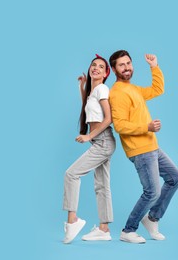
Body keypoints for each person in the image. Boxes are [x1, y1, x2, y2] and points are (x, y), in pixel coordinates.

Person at [108, 50, 178, 244]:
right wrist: (147, 127)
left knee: (175, 178)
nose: (127, 67)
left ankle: (152, 218)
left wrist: (154, 66)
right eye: (122, 65)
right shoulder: (117, 93)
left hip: (152, 146)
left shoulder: (133, 89)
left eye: (129, 63)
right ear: (114, 69)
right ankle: (128, 230)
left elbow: (157, 90)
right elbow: (120, 125)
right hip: (140, 150)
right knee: (152, 192)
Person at [62, 54, 116, 244]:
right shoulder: (94, 91)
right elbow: (88, 107)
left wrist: (88, 136)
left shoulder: (102, 89)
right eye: (93, 65)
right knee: (102, 186)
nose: (96, 68)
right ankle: (104, 229)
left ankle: (72, 220)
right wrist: (81, 87)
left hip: (103, 141)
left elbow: (108, 119)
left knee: (71, 174)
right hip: (101, 142)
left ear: (106, 73)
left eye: (101, 67)